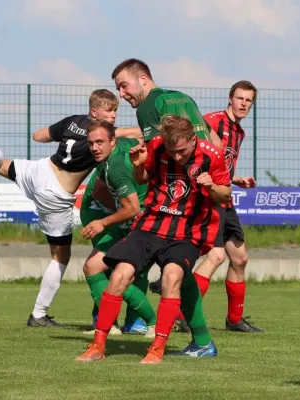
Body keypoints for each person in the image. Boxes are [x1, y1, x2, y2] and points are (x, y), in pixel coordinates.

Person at [0, 89, 136, 327]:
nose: (114, 117)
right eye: (109, 111)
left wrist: (66, 136)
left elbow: (38, 136)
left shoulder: (72, 121)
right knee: (61, 256)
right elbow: (135, 133)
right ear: (94, 111)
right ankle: (38, 314)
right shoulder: (103, 135)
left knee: (0, 166)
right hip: (56, 192)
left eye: (115, 111)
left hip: (40, 170)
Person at [75, 115, 231, 364]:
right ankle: (98, 346)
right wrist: (138, 166)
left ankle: (157, 349)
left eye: (181, 151)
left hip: (187, 231)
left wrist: (212, 186)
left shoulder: (212, 154)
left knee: (172, 276)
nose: (177, 157)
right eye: (172, 151)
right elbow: (142, 180)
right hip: (151, 224)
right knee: (119, 274)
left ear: (193, 139)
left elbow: (224, 196)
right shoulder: (157, 145)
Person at [111, 57, 223, 332]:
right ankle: (197, 335)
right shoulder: (183, 97)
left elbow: (157, 156)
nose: (121, 94)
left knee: (135, 257)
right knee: (210, 257)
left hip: (179, 199)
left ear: (143, 79)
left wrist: (143, 178)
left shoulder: (149, 106)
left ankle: (136, 320)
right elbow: (213, 142)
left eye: (124, 86)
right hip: (207, 191)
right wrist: (219, 177)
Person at [149, 81, 265, 333]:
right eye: (240, 98)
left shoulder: (238, 132)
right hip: (206, 196)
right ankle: (180, 313)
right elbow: (193, 150)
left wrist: (235, 180)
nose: (244, 104)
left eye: (249, 100)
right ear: (230, 98)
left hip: (225, 196)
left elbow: (216, 164)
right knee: (215, 255)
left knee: (240, 259)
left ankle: (234, 319)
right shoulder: (212, 121)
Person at [80, 120, 156, 337]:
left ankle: (153, 322)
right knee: (93, 267)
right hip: (127, 223)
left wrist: (102, 222)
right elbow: (98, 190)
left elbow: (132, 208)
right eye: (91, 143)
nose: (94, 148)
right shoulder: (113, 154)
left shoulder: (116, 167)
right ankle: (109, 324)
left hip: (141, 226)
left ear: (113, 141)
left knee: (121, 277)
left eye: (100, 142)